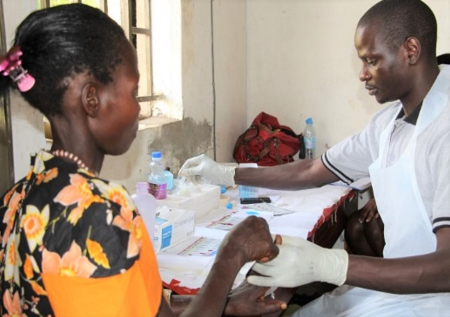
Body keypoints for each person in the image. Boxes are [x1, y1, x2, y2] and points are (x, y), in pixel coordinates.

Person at [0, 4, 287, 317]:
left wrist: (227, 304)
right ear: (92, 99)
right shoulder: (99, 212)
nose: (138, 109)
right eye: (133, 91)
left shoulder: (17, 198)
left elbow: (133, 304)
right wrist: (232, 254)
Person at [179, 0, 450, 315]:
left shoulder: (444, 128)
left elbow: (446, 268)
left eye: (372, 60)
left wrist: (329, 264)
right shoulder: (388, 125)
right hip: (402, 288)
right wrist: (228, 174)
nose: (362, 74)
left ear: (411, 50)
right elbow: (311, 170)